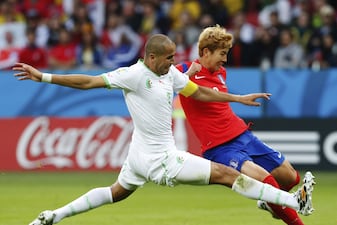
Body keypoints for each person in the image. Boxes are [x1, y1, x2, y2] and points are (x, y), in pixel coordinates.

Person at [12, 34, 314, 225]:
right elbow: (88, 81)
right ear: (152, 57)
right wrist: (44, 77)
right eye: (169, 57)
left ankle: (53, 217)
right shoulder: (131, 75)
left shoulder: (170, 75)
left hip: (138, 157)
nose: (175, 62)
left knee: (114, 192)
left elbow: (201, 93)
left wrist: (237, 98)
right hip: (161, 160)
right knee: (228, 175)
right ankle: (292, 201)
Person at [176, 25, 315, 225]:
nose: (225, 59)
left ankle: (270, 202)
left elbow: (216, 98)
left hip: (243, 136)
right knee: (265, 180)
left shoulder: (221, 72)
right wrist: (188, 74)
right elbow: (166, 82)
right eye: (222, 53)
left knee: (290, 178)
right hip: (220, 148)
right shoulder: (183, 70)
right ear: (206, 52)